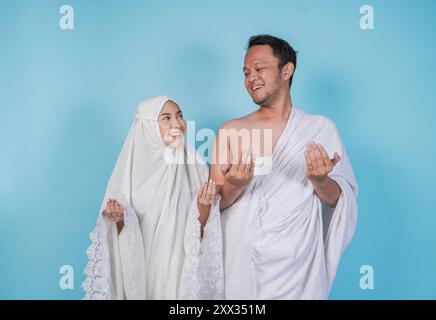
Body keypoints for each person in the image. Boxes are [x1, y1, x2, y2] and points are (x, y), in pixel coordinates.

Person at [209, 34, 358, 299]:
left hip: (298, 266)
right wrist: (235, 185)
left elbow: (340, 201)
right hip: (243, 261)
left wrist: (320, 180)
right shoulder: (231, 130)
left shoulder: (320, 129)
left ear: (286, 70)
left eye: (259, 69)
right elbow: (212, 205)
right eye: (245, 72)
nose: (250, 78)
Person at [82, 96, 222, 300]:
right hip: (145, 269)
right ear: (148, 126)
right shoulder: (132, 169)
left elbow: (201, 228)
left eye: (180, 116)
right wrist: (120, 217)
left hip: (179, 269)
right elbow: (122, 231)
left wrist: (204, 204)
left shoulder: (196, 165)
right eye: (166, 118)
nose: (177, 124)